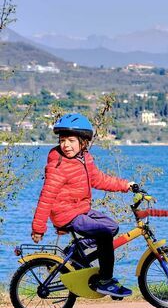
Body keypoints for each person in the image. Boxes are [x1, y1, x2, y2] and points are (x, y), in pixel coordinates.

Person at [31, 113, 135, 297]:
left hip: (80, 210)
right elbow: (46, 197)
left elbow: (99, 179)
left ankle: (75, 251)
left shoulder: (85, 159)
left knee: (112, 227)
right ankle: (105, 281)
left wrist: (125, 185)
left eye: (71, 140)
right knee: (103, 235)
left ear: (83, 142)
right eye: (63, 140)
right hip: (66, 214)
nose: (66, 145)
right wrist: (38, 228)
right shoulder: (58, 166)